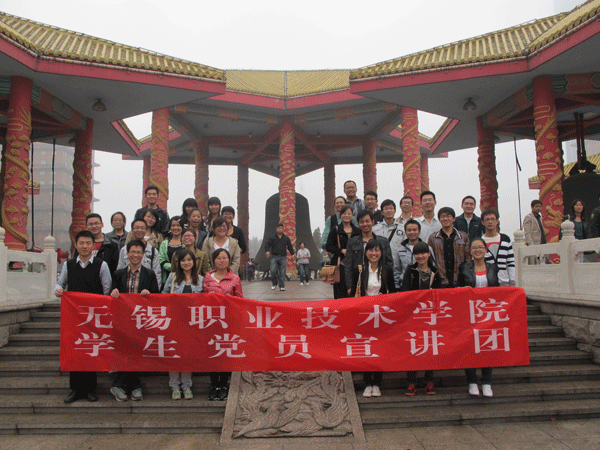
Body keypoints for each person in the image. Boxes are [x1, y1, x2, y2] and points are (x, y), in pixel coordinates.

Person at [55, 230, 112, 404]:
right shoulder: (69, 265)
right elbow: (60, 283)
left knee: (90, 351)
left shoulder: (101, 265)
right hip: (74, 317)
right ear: (76, 245)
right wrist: (58, 290)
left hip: (93, 317)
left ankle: (90, 389)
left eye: (88, 243)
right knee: (75, 351)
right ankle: (75, 389)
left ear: (93, 245)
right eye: (81, 243)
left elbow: (107, 289)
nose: (84, 246)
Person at [110, 239, 160, 402]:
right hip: (122, 320)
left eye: (139, 252)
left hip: (140, 321)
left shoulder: (149, 274)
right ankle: (126, 386)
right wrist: (114, 293)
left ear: (143, 254)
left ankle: (128, 385)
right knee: (122, 352)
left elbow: (157, 296)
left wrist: (149, 294)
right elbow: (111, 293)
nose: (135, 255)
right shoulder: (118, 274)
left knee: (135, 353)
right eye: (133, 252)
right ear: (127, 253)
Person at [457, 238, 499, 398]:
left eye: (480, 247)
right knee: (470, 348)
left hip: (488, 314)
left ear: (486, 250)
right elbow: (457, 288)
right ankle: (472, 381)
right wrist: (463, 289)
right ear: (470, 251)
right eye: (474, 248)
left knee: (487, 347)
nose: (477, 250)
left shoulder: (493, 267)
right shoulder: (464, 268)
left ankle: (487, 382)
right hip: (470, 314)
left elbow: (498, 288)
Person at [162, 249, 203, 400]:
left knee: (187, 354)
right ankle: (174, 387)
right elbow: (162, 297)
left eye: (189, 260)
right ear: (179, 263)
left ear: (194, 262)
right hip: (174, 322)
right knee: (173, 354)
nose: (186, 263)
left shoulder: (200, 279)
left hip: (192, 324)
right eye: (183, 260)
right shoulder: (172, 278)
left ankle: (186, 386)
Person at [401, 241, 441, 395]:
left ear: (429, 254)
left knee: (430, 347)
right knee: (413, 348)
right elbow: (404, 291)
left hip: (430, 316)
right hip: (413, 316)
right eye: (417, 253)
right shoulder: (410, 270)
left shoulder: (435, 272)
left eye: (423, 253)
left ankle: (429, 380)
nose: (420, 256)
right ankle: (411, 381)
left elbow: (441, 293)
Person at [203, 248, 243, 401]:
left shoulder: (235, 278)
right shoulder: (208, 277)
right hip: (211, 321)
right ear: (213, 260)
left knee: (225, 352)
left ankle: (224, 384)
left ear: (229, 260)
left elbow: (239, 299)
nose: (222, 261)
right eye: (218, 258)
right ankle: (214, 385)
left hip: (228, 321)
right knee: (213, 353)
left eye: (225, 257)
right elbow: (203, 297)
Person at [360, 239, 396, 398]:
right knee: (366, 348)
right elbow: (355, 292)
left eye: (377, 250)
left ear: (381, 253)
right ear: (366, 252)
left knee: (380, 348)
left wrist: (385, 297)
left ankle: (377, 383)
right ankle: (367, 383)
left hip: (382, 315)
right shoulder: (360, 269)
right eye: (370, 250)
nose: (373, 253)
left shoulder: (387, 269)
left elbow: (393, 291)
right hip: (364, 315)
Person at [345, 210, 393, 297]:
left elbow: (388, 263)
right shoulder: (352, 242)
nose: (365, 224)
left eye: (367, 221)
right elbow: (348, 265)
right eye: (362, 222)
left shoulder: (383, 242)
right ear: (358, 224)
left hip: (378, 281)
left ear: (372, 222)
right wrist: (350, 286)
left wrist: (386, 285)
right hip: (359, 283)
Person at [428, 207, 471, 288]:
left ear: (454, 219)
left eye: (448, 216)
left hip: (460, 280)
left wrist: (466, 276)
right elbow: (430, 260)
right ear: (439, 219)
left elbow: (468, 257)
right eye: (443, 216)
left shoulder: (463, 236)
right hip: (440, 281)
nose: (445, 219)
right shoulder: (433, 238)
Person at [117, 219, 162, 290]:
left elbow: (157, 273)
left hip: (146, 291)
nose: (139, 230)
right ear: (132, 230)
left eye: (142, 228)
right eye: (137, 228)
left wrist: (154, 292)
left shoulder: (153, 250)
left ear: (146, 230)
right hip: (127, 290)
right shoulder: (124, 250)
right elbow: (120, 269)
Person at [326, 205, 360, 299]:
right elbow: (328, 246)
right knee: (340, 293)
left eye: (349, 214)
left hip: (354, 266)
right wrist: (341, 250)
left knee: (353, 292)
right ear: (340, 215)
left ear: (352, 215)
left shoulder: (357, 231)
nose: (347, 216)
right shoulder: (335, 230)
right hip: (340, 265)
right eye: (344, 213)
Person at [393, 219, 433, 289]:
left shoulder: (427, 248)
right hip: (405, 286)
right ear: (405, 232)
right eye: (409, 230)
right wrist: (397, 287)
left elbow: (433, 267)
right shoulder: (399, 250)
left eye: (414, 230)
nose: (412, 232)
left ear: (419, 231)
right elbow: (396, 270)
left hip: (424, 286)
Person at [481, 209, 516, 286]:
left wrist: (512, 280)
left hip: (504, 281)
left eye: (493, 219)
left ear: (497, 221)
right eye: (487, 219)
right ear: (483, 222)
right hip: (487, 282)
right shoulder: (480, 241)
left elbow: (510, 262)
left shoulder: (505, 239)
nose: (490, 222)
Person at [373, 199, 405, 273]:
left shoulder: (402, 229)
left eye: (391, 208)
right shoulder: (375, 229)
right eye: (386, 209)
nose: (389, 211)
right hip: (380, 264)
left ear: (394, 211)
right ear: (382, 212)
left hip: (397, 265)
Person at [265, 223, 295, 291]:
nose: (280, 229)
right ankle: (274, 283)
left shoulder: (286, 238)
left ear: (283, 229)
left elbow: (290, 247)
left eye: (281, 228)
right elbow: (267, 244)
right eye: (278, 228)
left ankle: (282, 285)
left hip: (283, 257)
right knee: (273, 271)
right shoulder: (273, 237)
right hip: (274, 257)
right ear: (276, 229)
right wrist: (267, 251)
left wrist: (292, 255)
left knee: (282, 272)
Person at [159, 216, 184, 284]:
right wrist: (174, 267)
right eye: (173, 225)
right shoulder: (164, 243)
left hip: (184, 276)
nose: (175, 228)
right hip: (167, 277)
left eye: (178, 225)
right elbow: (161, 260)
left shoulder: (186, 242)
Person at [523, 199, 546, 264]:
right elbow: (527, 232)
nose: (538, 208)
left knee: (544, 263)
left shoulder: (539, 217)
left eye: (540, 206)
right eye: (536, 206)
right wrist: (531, 245)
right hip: (535, 244)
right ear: (532, 207)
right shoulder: (529, 217)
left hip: (542, 243)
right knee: (535, 264)